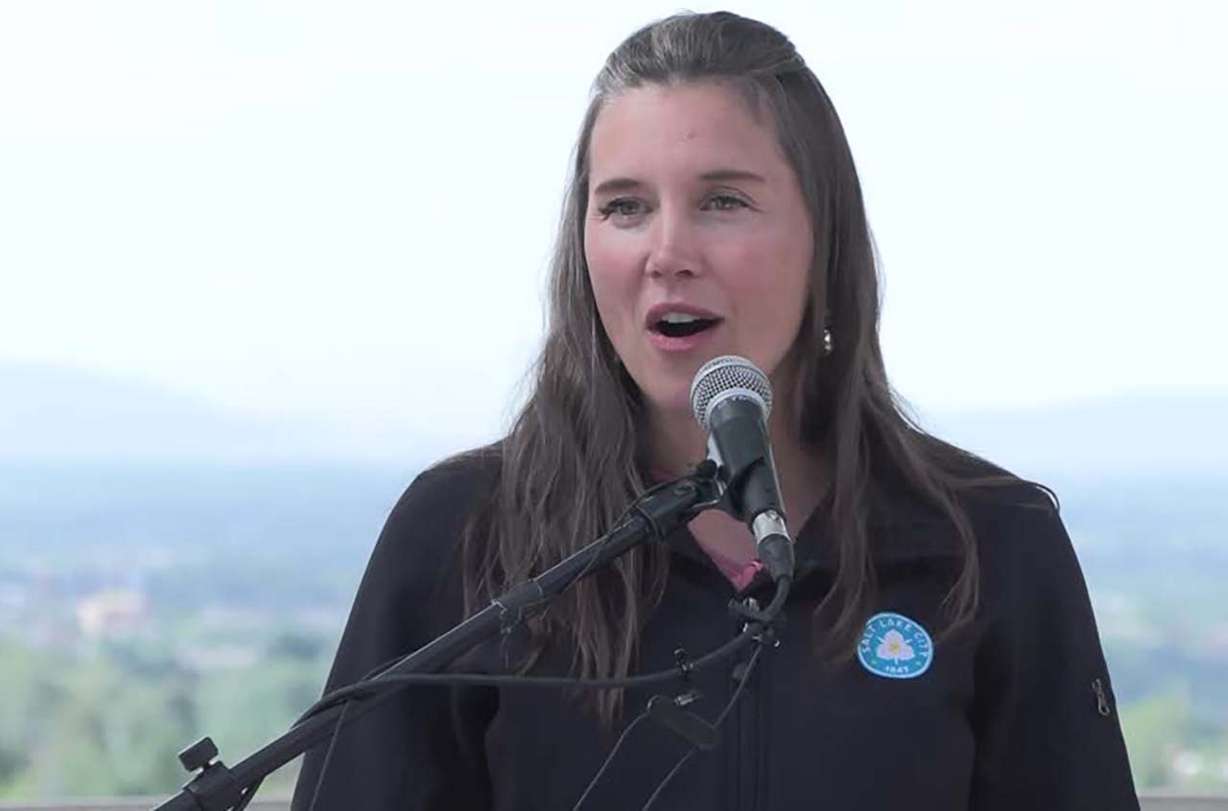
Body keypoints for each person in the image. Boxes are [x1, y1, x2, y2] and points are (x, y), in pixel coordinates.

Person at [292, 11, 1138, 810]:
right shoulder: (461, 533)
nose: (667, 253)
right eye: (625, 206)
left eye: (722, 201)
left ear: (825, 237)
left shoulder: (987, 539)